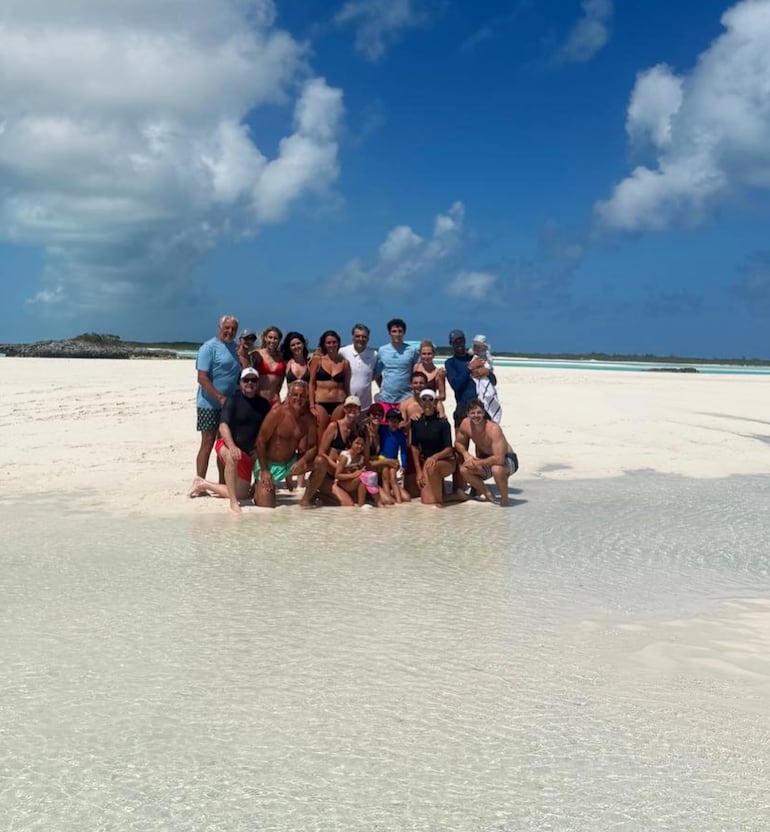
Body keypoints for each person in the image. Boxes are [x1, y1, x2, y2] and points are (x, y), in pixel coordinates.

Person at [188, 367, 271, 513]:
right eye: (246, 380)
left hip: (248, 453)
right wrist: (232, 446)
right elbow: (223, 425)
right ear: (240, 382)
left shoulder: (263, 404)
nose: (249, 383)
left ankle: (202, 483)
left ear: (258, 383)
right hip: (226, 445)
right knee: (232, 458)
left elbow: (268, 431)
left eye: (253, 380)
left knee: (243, 494)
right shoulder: (233, 400)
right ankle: (233, 502)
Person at [254, 381, 318, 508]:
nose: (298, 399)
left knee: (321, 462)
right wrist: (265, 470)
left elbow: (313, 447)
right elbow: (260, 440)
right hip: (269, 464)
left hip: (290, 463)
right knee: (267, 506)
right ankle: (257, 486)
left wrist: (302, 461)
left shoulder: (309, 419)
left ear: (306, 398)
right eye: (295, 395)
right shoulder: (277, 413)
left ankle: (306, 499)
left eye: (302, 396)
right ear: (288, 395)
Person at [195, 314, 240, 479]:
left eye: (233, 329)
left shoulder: (236, 349)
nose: (230, 331)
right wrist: (219, 398)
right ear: (220, 327)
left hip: (229, 406)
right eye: (227, 328)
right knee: (207, 443)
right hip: (209, 404)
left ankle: (223, 481)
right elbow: (202, 378)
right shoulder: (208, 347)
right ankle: (200, 481)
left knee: (224, 445)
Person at [300, 394, 361, 507]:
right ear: (344, 409)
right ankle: (317, 494)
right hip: (327, 476)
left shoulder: (357, 429)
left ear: (359, 410)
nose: (352, 410)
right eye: (349, 407)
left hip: (343, 475)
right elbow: (321, 453)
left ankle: (322, 497)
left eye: (355, 407)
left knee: (356, 502)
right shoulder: (334, 426)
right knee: (348, 504)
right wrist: (337, 467)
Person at [454, 398, 519, 505]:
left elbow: (499, 459)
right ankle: (487, 494)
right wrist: (466, 455)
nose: (476, 415)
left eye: (479, 412)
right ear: (468, 414)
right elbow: (458, 443)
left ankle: (504, 500)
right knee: (464, 469)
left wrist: (478, 462)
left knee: (497, 469)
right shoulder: (465, 424)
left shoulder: (493, 429)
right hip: (487, 458)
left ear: (484, 413)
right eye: (473, 413)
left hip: (507, 458)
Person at [409, 389, 466, 506]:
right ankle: (454, 496)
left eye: (431, 400)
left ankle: (440, 499)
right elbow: (414, 447)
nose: (427, 403)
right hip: (427, 464)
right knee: (426, 501)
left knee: (431, 468)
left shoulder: (443, 423)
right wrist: (418, 471)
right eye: (424, 399)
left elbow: (449, 449)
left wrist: (435, 457)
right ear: (420, 402)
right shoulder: (416, 422)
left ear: (435, 403)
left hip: (446, 461)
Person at [444, 329, 497, 427]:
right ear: (451, 344)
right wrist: (470, 368)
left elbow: (493, 382)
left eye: (461, 341)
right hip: (463, 406)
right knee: (461, 441)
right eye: (456, 342)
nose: (459, 344)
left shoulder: (475, 357)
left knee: (484, 441)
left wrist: (488, 372)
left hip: (481, 406)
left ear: (465, 341)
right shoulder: (450, 363)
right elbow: (456, 385)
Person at [374, 318, 419, 415]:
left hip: (407, 397)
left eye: (400, 331)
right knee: (386, 427)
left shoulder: (412, 350)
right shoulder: (382, 350)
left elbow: (417, 372)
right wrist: (381, 387)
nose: (397, 334)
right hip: (386, 398)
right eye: (394, 331)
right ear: (389, 333)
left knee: (405, 427)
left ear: (404, 333)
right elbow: (377, 373)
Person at [309, 330, 351, 417]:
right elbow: (312, 384)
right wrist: (312, 406)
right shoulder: (317, 360)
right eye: (328, 343)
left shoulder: (345, 363)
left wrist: (348, 403)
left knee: (336, 429)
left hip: (339, 403)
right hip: (320, 403)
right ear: (324, 344)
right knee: (321, 430)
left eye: (334, 342)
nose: (332, 345)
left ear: (338, 343)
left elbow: (346, 386)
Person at [333, 434, 380, 507]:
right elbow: (337, 475)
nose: (360, 446)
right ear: (351, 443)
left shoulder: (361, 458)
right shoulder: (345, 456)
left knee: (364, 480)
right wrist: (353, 474)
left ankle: (362, 505)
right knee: (362, 478)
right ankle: (375, 503)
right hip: (342, 484)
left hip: (354, 482)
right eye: (357, 443)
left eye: (362, 444)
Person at [339, 323, 378, 412]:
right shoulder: (342, 352)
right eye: (358, 336)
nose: (361, 339)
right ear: (353, 337)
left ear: (368, 338)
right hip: (345, 403)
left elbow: (377, 374)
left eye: (364, 337)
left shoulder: (374, 355)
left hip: (365, 406)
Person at [378, 409, 410, 503]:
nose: (393, 424)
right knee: (385, 478)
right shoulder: (382, 429)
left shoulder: (400, 435)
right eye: (391, 421)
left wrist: (404, 465)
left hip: (393, 460)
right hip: (382, 458)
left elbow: (403, 451)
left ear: (399, 422)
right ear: (387, 421)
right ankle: (389, 499)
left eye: (396, 421)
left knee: (393, 479)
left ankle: (398, 501)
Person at [470, 334, 502, 423]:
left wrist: (486, 371)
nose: (477, 348)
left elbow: (493, 378)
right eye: (475, 346)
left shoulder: (487, 357)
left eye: (479, 346)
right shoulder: (471, 357)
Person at [253, 326, 286, 406]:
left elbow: (282, 379)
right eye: (270, 337)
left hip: (275, 401)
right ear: (265, 338)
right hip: (258, 399)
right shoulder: (256, 355)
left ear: (279, 340)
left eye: (275, 338)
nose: (272, 341)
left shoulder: (282, 358)